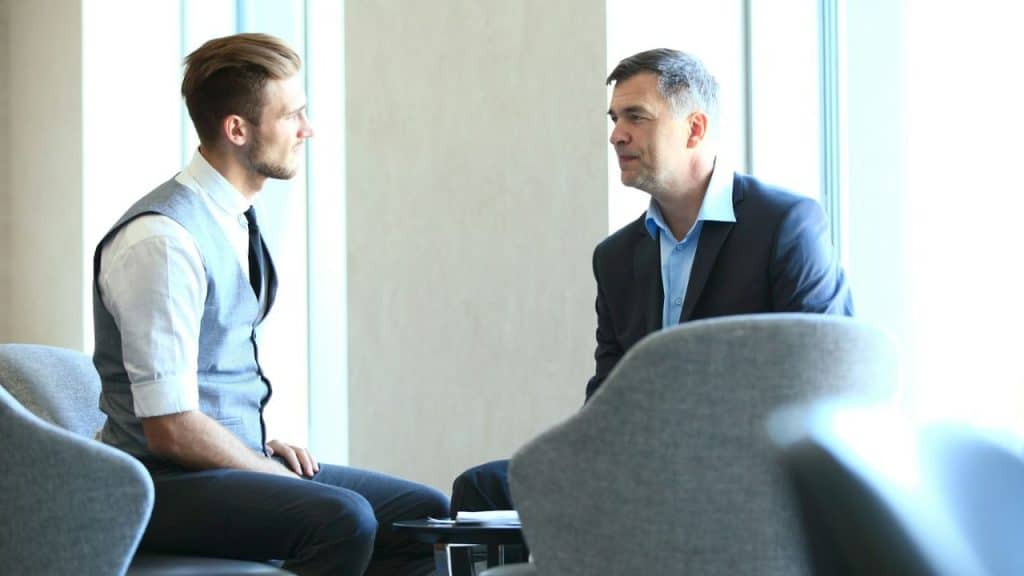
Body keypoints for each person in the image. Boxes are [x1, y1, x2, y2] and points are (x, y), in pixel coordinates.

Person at [92, 33, 447, 576]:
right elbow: (169, 427)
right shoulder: (161, 243)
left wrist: (257, 448)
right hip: (156, 484)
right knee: (343, 520)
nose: (308, 129)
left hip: (212, 468)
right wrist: (261, 468)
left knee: (423, 515)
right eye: (293, 116)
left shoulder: (232, 218)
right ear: (237, 129)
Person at [450, 47, 854, 512]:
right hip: (644, 466)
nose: (617, 135)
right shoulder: (616, 258)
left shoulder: (784, 224)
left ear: (695, 129)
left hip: (751, 468)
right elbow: (608, 397)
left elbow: (827, 374)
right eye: (614, 118)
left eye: (636, 117)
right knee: (483, 487)